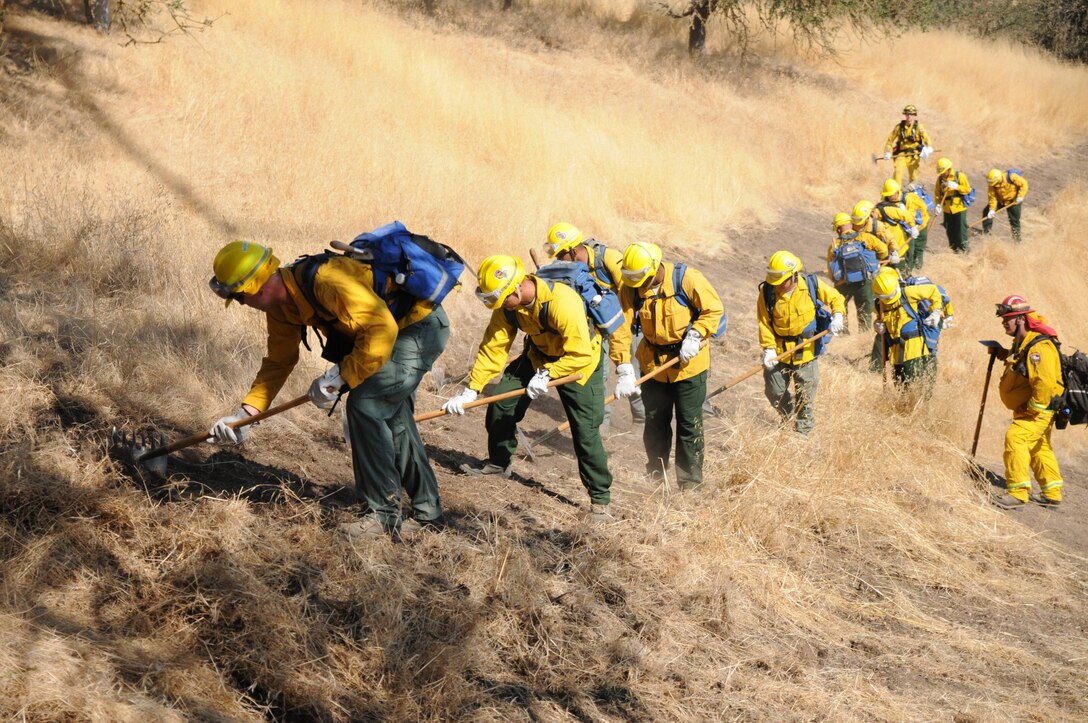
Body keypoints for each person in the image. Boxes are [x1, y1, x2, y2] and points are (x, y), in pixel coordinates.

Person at [207, 240, 450, 539]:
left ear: (255, 288)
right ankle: (428, 512)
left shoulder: (327, 281)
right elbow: (279, 362)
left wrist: (340, 377)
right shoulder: (280, 308)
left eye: (241, 299)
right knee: (394, 418)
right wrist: (245, 415)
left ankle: (382, 515)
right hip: (391, 333)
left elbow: (381, 330)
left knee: (366, 405)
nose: (244, 305)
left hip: (417, 328)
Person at [443, 255, 614, 521]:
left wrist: (549, 374)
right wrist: (472, 389)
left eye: (502, 300)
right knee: (501, 402)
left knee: (585, 430)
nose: (500, 307)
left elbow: (580, 353)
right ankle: (499, 463)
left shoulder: (563, 303)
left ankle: (600, 500)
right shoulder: (508, 306)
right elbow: (494, 347)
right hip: (538, 355)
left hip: (580, 364)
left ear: (517, 288)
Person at [612, 241, 724, 490]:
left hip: (689, 366)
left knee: (689, 424)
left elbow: (713, 310)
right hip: (652, 366)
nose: (638, 286)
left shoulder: (688, 280)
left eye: (642, 279)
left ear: (656, 268)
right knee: (654, 422)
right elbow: (620, 329)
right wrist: (623, 368)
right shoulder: (631, 289)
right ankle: (656, 476)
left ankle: (690, 484)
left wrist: (696, 334)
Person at [543, 221, 645, 429]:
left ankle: (643, 421)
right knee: (600, 375)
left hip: (623, 322)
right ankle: (601, 425)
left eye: (561, 255)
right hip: (596, 327)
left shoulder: (610, 259)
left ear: (573, 250)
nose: (558, 260)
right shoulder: (570, 270)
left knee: (631, 369)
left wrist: (617, 326)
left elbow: (631, 295)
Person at [758, 250, 845, 435]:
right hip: (779, 354)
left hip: (806, 351)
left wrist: (838, 315)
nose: (777, 285)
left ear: (793, 275)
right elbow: (764, 323)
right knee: (774, 392)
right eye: (774, 281)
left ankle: (802, 433)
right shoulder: (767, 292)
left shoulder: (811, 284)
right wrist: (768, 349)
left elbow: (836, 297)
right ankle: (787, 415)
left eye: (781, 281)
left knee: (805, 397)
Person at [991, 295, 1064, 509]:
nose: (1004, 322)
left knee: (1016, 438)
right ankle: (1052, 492)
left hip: (1041, 408)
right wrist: (1002, 353)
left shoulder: (1038, 347)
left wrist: (1032, 409)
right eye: (1003, 318)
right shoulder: (1023, 341)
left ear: (1022, 319)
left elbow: (1044, 383)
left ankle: (1018, 492)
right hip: (1040, 408)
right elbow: (1022, 367)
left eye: (1009, 318)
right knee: (1039, 447)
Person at [871, 267, 946, 395]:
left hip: (915, 350)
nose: (891, 300)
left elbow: (933, 291)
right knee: (901, 390)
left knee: (918, 388)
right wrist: (877, 325)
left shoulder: (908, 293)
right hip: (896, 355)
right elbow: (880, 319)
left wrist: (936, 311)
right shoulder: (879, 305)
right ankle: (906, 412)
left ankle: (921, 412)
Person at [826, 211, 886, 333]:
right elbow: (884, 250)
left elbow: (831, 272)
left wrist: (837, 281)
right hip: (864, 282)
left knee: (841, 310)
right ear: (851, 225)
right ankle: (864, 334)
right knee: (865, 312)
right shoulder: (865, 237)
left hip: (843, 284)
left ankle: (843, 335)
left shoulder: (834, 245)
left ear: (838, 229)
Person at [876, 179, 925, 274]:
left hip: (908, 230)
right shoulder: (886, 201)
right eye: (888, 195)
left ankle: (909, 272)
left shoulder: (906, 199)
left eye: (891, 194)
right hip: (897, 232)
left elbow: (912, 214)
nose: (890, 197)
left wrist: (907, 216)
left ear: (897, 191)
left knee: (909, 252)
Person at [882, 104, 934, 186]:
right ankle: (896, 195)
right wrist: (887, 152)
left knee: (914, 177)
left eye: (911, 114)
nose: (909, 116)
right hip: (901, 155)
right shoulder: (899, 127)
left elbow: (926, 138)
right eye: (907, 114)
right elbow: (890, 140)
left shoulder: (919, 127)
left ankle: (913, 194)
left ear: (914, 115)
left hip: (914, 155)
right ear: (905, 115)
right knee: (897, 174)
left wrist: (929, 147)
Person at [934, 157, 973, 254]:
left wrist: (957, 187)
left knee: (961, 231)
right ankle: (954, 251)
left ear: (948, 169)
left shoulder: (959, 176)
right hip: (947, 209)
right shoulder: (939, 180)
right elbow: (937, 195)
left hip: (959, 208)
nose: (942, 174)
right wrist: (938, 206)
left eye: (944, 172)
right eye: (941, 172)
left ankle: (965, 252)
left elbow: (967, 189)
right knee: (950, 231)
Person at [850, 200, 901, 268]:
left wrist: (894, 252)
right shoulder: (850, 226)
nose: (857, 224)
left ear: (867, 218)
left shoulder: (877, 226)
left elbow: (890, 238)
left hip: (878, 259)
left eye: (859, 221)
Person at [983, 168, 1029, 243]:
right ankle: (986, 235)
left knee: (1014, 221)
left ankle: (1017, 241)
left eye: (996, 183)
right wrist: (992, 209)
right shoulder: (992, 183)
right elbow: (992, 197)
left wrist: (1020, 196)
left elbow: (1024, 184)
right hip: (1001, 200)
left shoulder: (1011, 177)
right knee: (986, 213)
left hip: (1014, 201)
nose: (995, 186)